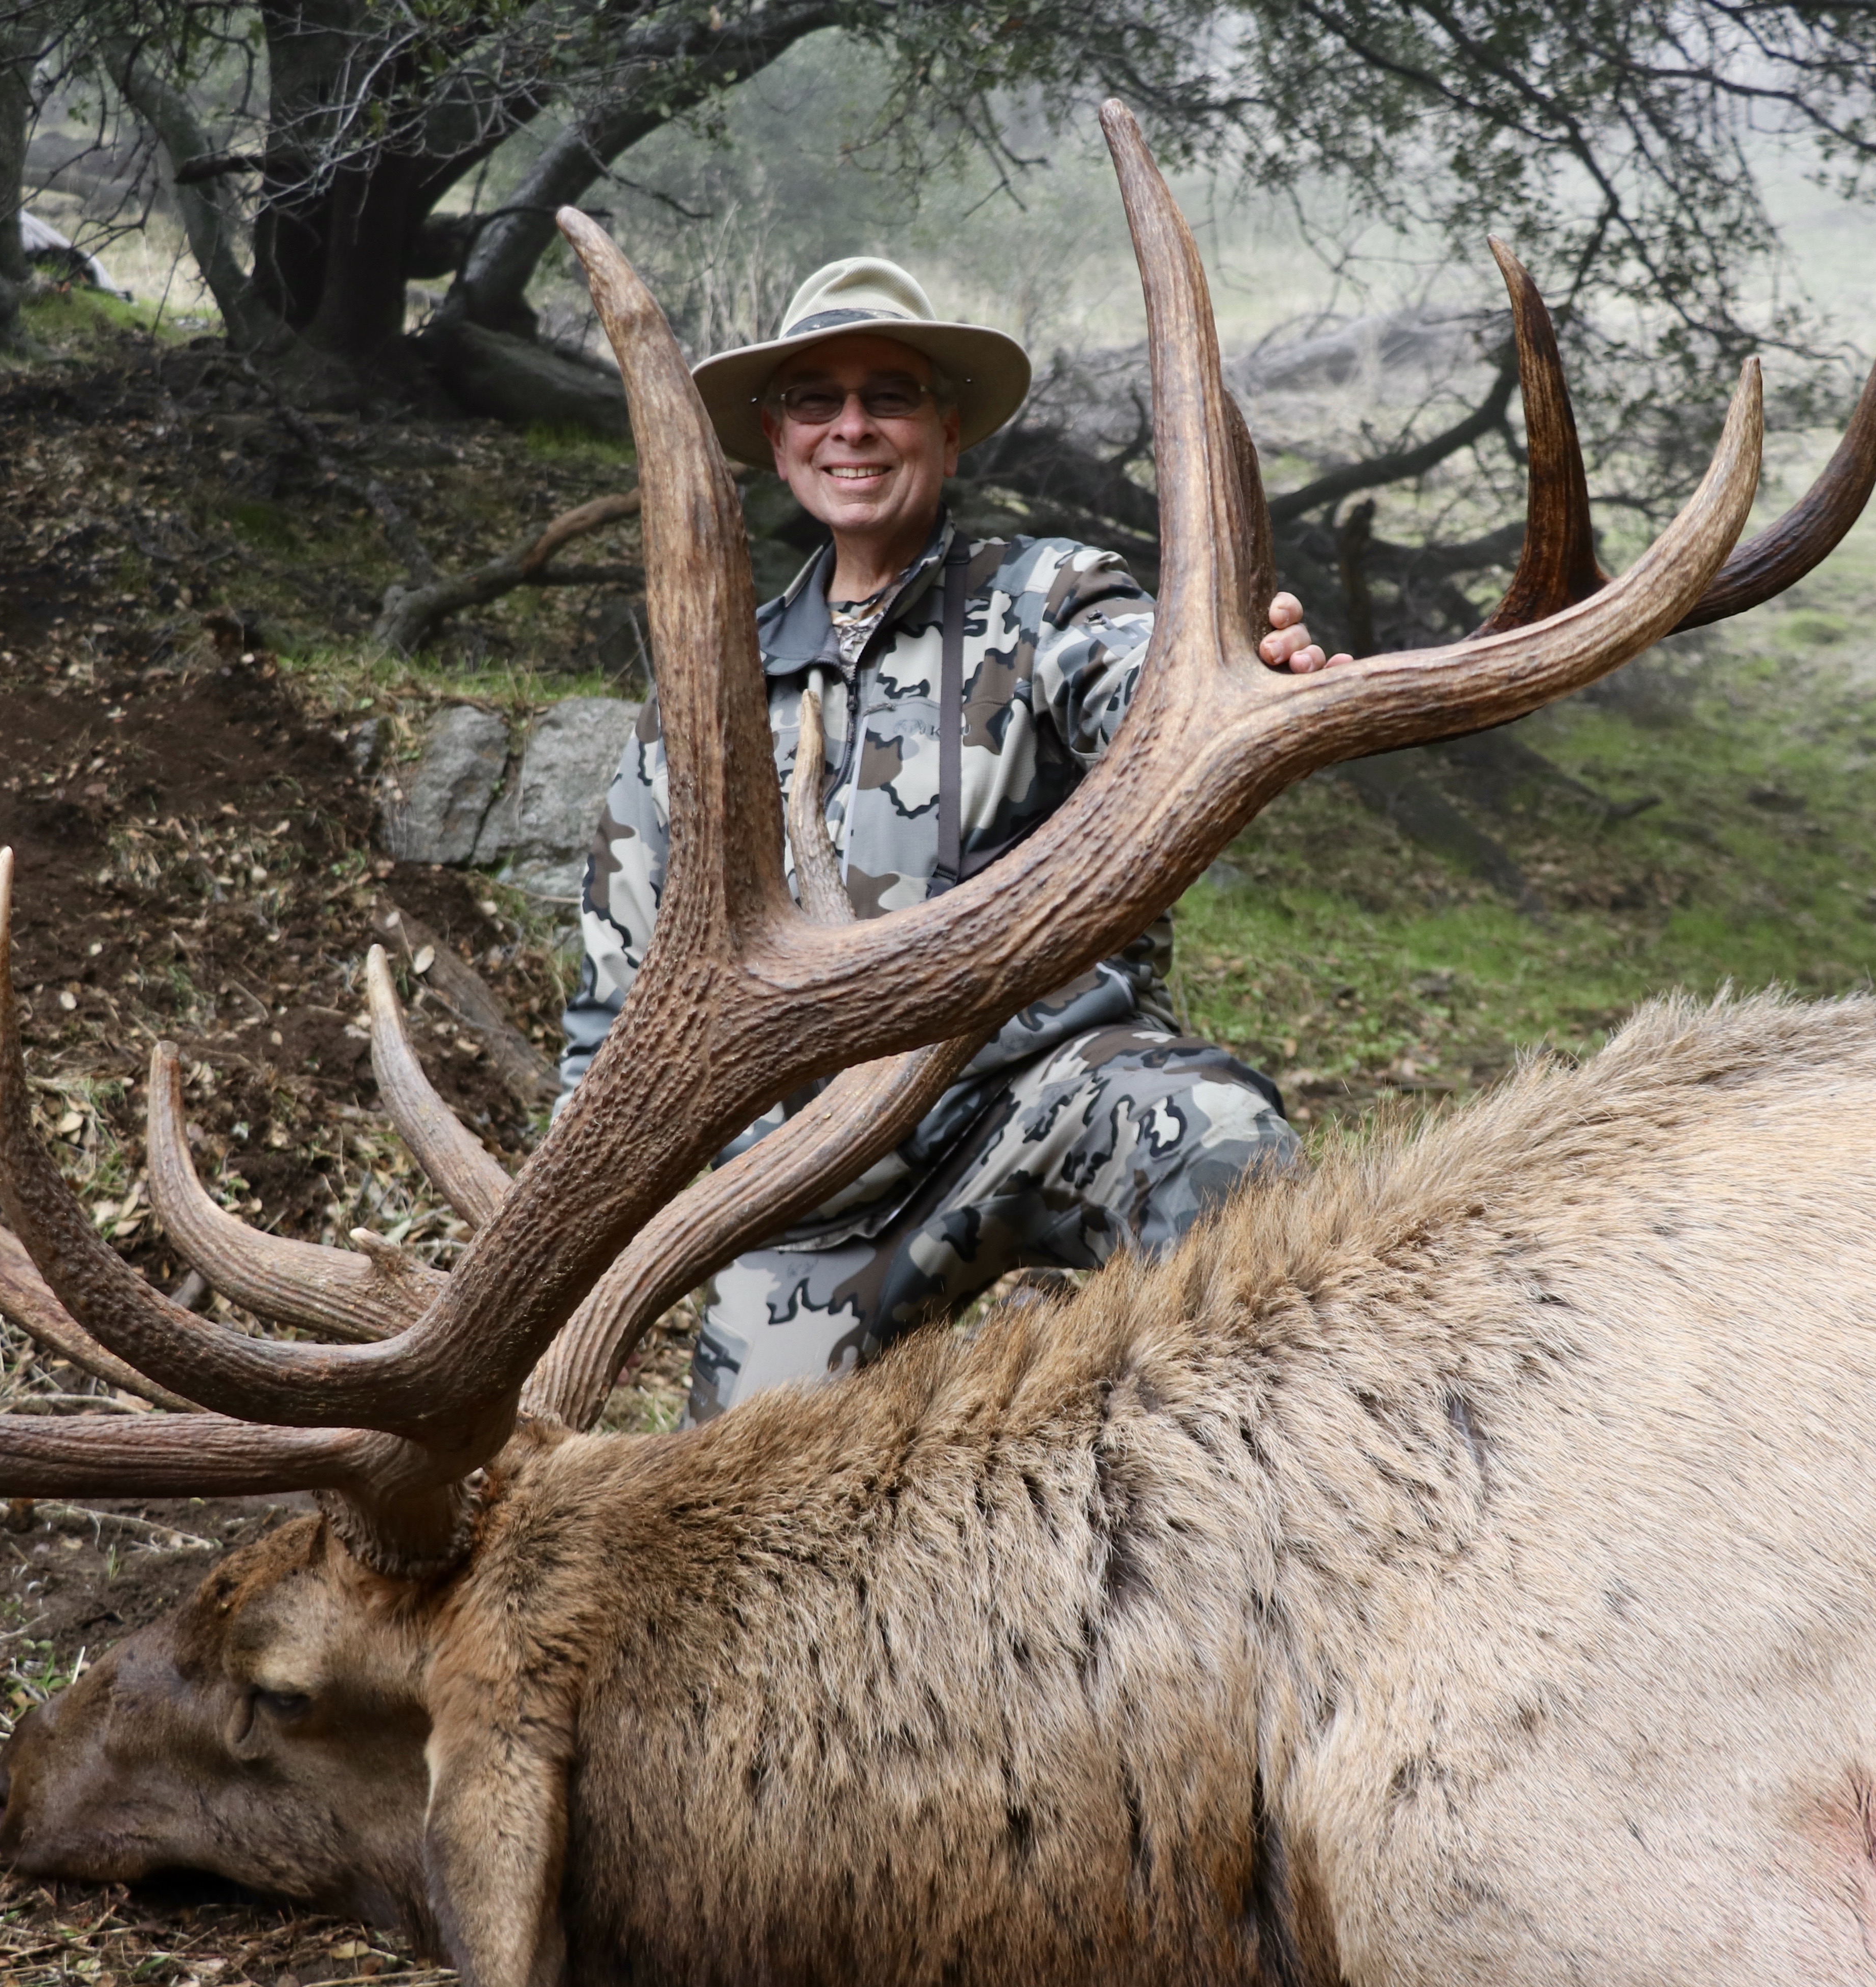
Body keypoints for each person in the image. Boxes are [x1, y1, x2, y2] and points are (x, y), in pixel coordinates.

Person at [559, 256, 1349, 1421]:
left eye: (891, 394)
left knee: (1221, 1145)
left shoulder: (1045, 596)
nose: (854, 428)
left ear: (950, 425)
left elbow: (1144, 682)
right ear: (776, 439)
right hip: (816, 1188)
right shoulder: (705, 688)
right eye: (817, 401)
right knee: (733, 1533)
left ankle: (1302, 1503)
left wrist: (1226, 673)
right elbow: (612, 1017)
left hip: (1045, 1095)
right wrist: (575, 1265)